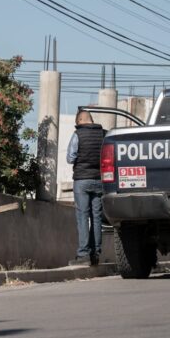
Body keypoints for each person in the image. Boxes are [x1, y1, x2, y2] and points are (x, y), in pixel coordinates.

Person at [66, 110, 106, 266]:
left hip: (82, 180)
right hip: (99, 180)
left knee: (83, 216)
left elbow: (70, 158)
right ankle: (95, 253)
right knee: (96, 218)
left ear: (80, 120)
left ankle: (83, 255)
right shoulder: (103, 134)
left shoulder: (78, 134)